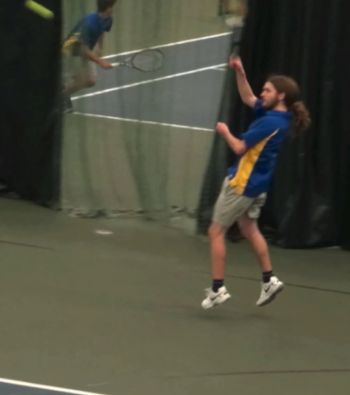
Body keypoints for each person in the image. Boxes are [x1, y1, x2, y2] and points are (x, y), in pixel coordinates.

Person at [202, 56, 311, 309]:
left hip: (241, 185)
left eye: (268, 90)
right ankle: (269, 279)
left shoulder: (269, 122)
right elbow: (249, 98)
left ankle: (218, 289)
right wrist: (240, 72)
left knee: (215, 232)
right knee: (249, 228)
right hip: (259, 186)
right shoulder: (279, 117)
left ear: (281, 96)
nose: (262, 93)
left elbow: (240, 147)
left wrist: (224, 131)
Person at [61, 0, 118, 112]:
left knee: (90, 81)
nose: (114, 9)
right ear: (108, 9)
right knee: (82, 79)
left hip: (85, 51)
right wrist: (101, 62)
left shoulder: (108, 19)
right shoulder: (89, 24)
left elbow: (102, 31)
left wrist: (100, 48)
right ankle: (59, 98)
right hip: (71, 52)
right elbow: (84, 50)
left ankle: (64, 89)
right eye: (113, 6)